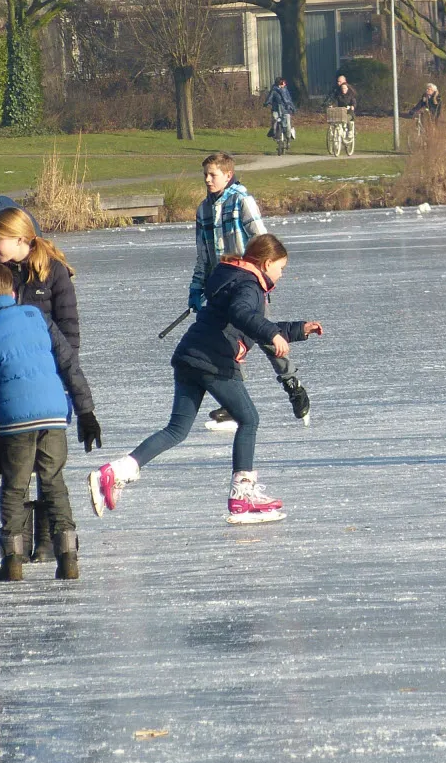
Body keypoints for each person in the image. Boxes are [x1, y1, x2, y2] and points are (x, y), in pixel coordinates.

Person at [88, 233, 322, 524]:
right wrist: (272, 334)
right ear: (267, 262)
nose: (281, 275)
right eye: (281, 268)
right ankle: (242, 495)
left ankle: (116, 472)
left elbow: (251, 325)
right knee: (249, 420)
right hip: (214, 361)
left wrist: (298, 329)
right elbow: (243, 315)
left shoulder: (234, 278)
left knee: (176, 430)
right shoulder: (250, 286)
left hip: (190, 356)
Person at [0, 262, 100, 582]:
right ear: (13, 293)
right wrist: (86, 413)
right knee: (53, 482)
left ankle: (12, 559)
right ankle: (68, 555)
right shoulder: (39, 318)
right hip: (53, 414)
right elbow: (70, 365)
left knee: (14, 489)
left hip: (13, 422)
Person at [187, 152, 310, 425]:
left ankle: (291, 383)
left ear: (228, 175)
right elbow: (202, 256)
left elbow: (263, 242)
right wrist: (196, 288)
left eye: (212, 174)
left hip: (247, 282)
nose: (207, 179)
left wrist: (261, 277)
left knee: (259, 333)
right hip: (219, 285)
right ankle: (232, 402)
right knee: (222, 341)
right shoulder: (203, 210)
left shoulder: (242, 201)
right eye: (205, 174)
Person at [0, 207, 80, 355]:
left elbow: (68, 325)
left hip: (46, 361)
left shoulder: (53, 270)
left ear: (19, 239)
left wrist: (69, 370)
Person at [326, 73, 357, 157]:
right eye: (342, 88)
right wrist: (332, 105)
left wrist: (351, 107)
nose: (343, 89)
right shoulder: (339, 95)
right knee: (336, 120)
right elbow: (335, 102)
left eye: (344, 88)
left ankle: (350, 132)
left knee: (347, 119)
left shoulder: (351, 96)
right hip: (340, 113)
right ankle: (336, 139)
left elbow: (354, 104)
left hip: (349, 113)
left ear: (347, 88)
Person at [265, 76, 296, 143]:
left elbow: (289, 100)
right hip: (276, 109)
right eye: (283, 82)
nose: (285, 84)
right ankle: (274, 132)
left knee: (288, 124)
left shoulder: (285, 90)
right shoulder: (274, 90)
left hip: (285, 109)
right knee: (275, 119)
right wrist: (267, 103)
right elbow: (270, 97)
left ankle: (288, 137)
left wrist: (293, 108)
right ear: (280, 83)